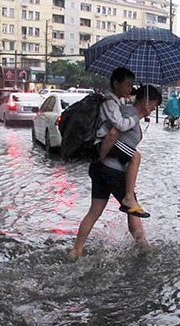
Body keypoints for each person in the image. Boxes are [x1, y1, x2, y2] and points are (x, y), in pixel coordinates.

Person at [69, 85, 163, 259]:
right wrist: (102, 157)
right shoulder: (128, 114)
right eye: (154, 104)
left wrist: (99, 162)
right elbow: (113, 134)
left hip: (100, 169)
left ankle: (77, 250)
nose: (155, 108)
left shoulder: (128, 113)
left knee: (95, 210)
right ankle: (144, 249)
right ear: (146, 101)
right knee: (132, 207)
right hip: (112, 170)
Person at [96, 68, 151, 218]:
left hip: (107, 147)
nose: (130, 88)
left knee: (94, 212)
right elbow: (119, 126)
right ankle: (129, 198)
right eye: (127, 85)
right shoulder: (109, 102)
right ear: (115, 83)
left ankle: (79, 243)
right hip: (103, 144)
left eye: (131, 85)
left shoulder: (116, 102)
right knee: (135, 156)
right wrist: (139, 114)